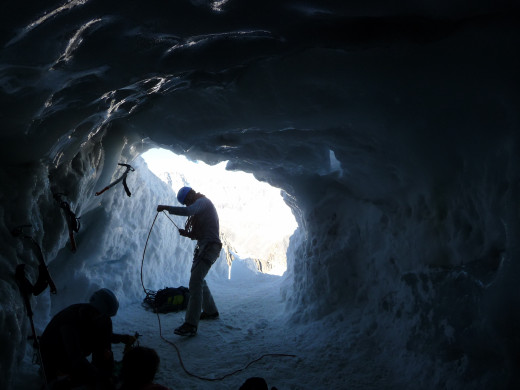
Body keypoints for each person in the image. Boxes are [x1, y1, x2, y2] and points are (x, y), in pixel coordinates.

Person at [157, 186, 222, 337]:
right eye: (185, 202)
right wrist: (187, 234)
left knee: (195, 283)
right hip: (207, 246)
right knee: (199, 280)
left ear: (191, 195)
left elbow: (188, 211)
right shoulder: (201, 204)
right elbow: (200, 232)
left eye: (187, 201)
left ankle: (191, 324)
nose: (187, 204)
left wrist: (166, 207)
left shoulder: (203, 202)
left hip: (209, 247)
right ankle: (211, 311)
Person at [39, 288, 136, 389]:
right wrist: (99, 376)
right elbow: (74, 355)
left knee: (102, 352)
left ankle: (95, 374)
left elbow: (105, 337)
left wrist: (122, 338)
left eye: (104, 316)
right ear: (93, 309)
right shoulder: (69, 320)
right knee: (65, 379)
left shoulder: (101, 318)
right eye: (99, 314)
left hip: (73, 348)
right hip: (54, 352)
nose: (102, 318)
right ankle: (55, 374)